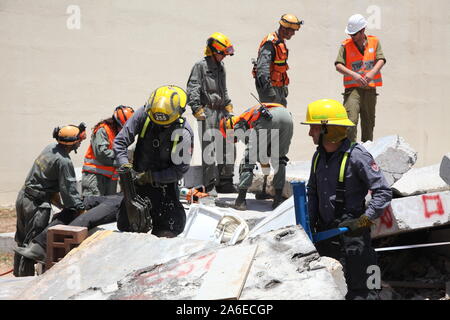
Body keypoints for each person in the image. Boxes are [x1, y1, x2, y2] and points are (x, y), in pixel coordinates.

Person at [301, 99, 392, 300]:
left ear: (328, 129)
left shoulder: (357, 156)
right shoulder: (318, 156)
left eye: (313, 128)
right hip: (326, 235)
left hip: (354, 236)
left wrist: (363, 222)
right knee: (333, 289)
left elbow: (384, 192)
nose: (310, 134)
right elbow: (312, 191)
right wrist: (308, 226)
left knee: (365, 290)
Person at [114, 85, 194, 238]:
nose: (159, 126)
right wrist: (125, 166)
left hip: (165, 188)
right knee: (127, 227)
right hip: (137, 186)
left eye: (165, 124)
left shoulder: (184, 133)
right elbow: (120, 142)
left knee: (168, 230)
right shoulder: (144, 114)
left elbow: (180, 170)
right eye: (156, 122)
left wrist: (151, 177)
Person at [13, 123, 87, 276]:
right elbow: (69, 192)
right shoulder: (64, 161)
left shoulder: (50, 148)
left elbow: (48, 180)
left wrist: (60, 205)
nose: (81, 142)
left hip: (23, 198)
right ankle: (23, 284)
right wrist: (79, 209)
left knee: (21, 241)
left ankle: (15, 278)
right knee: (32, 246)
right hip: (36, 205)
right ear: (73, 142)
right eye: (79, 140)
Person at [186, 32, 236, 195]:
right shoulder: (200, 66)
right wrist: (196, 108)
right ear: (215, 51)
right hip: (207, 111)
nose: (225, 57)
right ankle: (209, 184)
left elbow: (224, 89)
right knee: (210, 148)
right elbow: (192, 87)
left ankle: (226, 181)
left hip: (222, 111)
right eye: (223, 53)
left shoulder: (222, 68)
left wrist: (228, 105)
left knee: (228, 144)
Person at [219, 102, 293, 210]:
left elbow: (254, 152)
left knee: (248, 160)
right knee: (279, 158)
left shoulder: (238, 123)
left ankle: (240, 200)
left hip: (268, 118)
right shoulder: (248, 115)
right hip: (287, 117)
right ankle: (277, 200)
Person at [13, 194, 123, 265]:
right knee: (77, 204)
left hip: (126, 200)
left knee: (86, 218)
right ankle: (39, 245)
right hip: (120, 195)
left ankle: (52, 250)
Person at [335, 13, 386, 142]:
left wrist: (372, 73)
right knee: (350, 121)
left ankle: (365, 155)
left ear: (362, 30)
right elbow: (338, 65)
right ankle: (350, 151)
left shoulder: (374, 42)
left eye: (354, 34)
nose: (351, 37)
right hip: (353, 90)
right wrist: (355, 75)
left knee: (368, 124)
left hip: (369, 90)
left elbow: (381, 59)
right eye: (350, 34)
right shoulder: (345, 45)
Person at [82, 106, 135, 196]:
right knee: (93, 206)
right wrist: (123, 156)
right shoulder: (102, 130)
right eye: (122, 127)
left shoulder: (118, 135)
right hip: (95, 176)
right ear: (116, 122)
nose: (123, 131)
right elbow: (102, 153)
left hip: (111, 179)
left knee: (108, 207)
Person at [252, 14, 303, 107]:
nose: (293, 34)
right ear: (284, 29)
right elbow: (262, 70)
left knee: (282, 117)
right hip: (270, 89)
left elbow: (280, 69)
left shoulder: (280, 42)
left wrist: (284, 86)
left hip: (279, 88)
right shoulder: (270, 43)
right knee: (272, 119)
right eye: (292, 31)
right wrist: (269, 92)